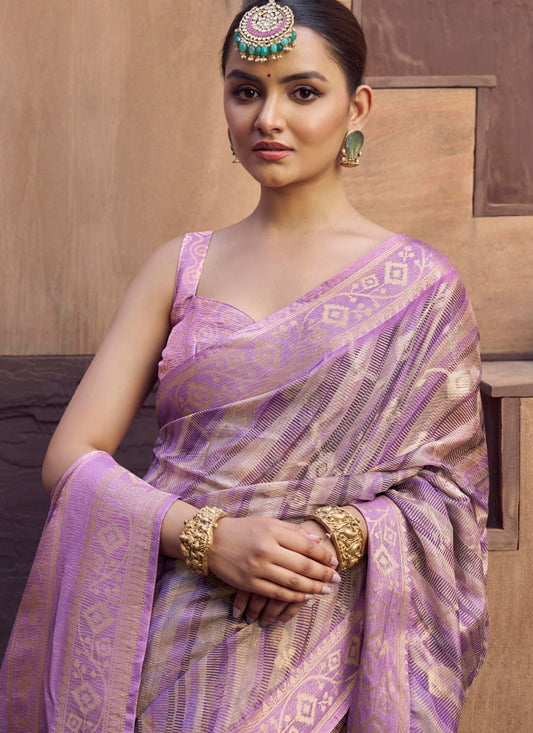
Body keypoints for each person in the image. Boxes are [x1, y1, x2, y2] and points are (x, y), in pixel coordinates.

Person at [0, 1, 489, 731]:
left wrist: (331, 536)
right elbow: (70, 458)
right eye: (245, 91)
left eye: (302, 91)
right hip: (169, 637)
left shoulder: (421, 287)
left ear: (356, 107)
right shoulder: (180, 268)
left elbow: (449, 492)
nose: (268, 117)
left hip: (327, 635)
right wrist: (210, 538)